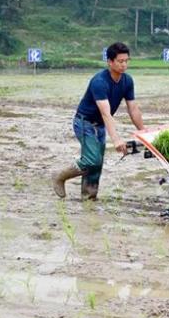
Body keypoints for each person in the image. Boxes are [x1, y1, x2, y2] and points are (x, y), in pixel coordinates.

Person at [52, 42, 145, 200]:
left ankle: (88, 199)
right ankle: (60, 176)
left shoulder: (127, 81)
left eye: (126, 61)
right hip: (84, 122)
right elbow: (106, 113)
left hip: (100, 126)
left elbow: (133, 108)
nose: (124, 65)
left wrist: (143, 131)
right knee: (92, 159)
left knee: (97, 164)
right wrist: (116, 139)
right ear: (110, 62)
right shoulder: (99, 82)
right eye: (120, 61)